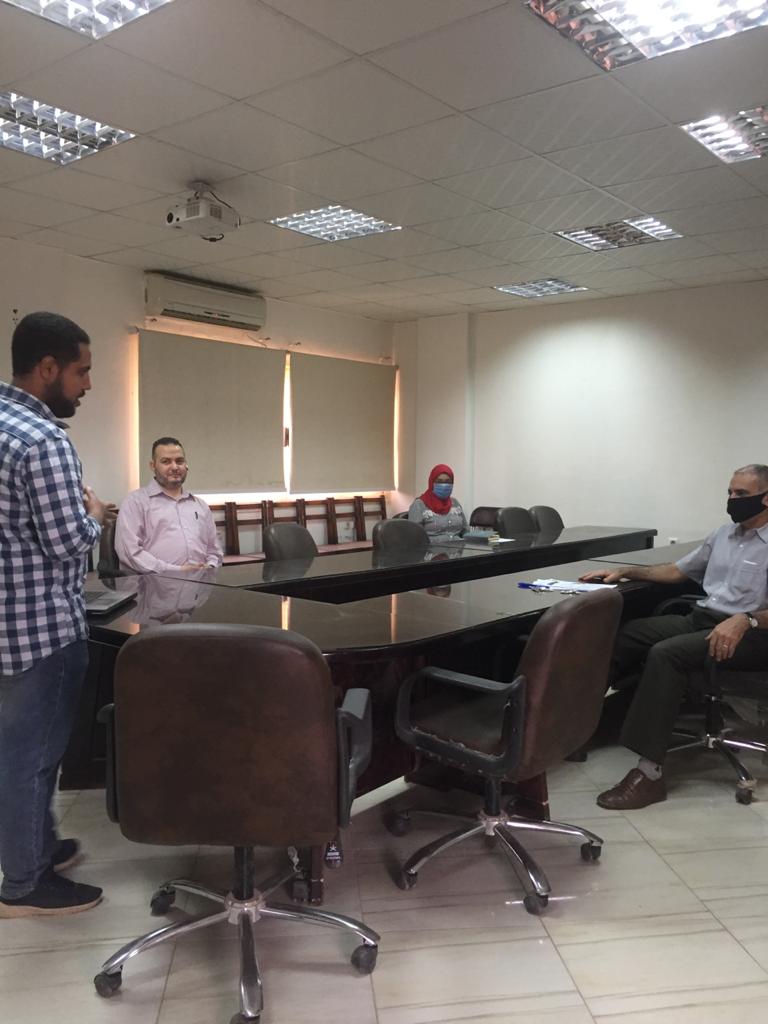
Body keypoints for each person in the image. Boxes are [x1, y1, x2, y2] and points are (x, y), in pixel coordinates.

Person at [0, 311, 114, 917]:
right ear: (48, 368)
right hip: (39, 630)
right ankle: (24, 883)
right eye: (82, 371)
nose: (88, 384)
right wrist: (93, 515)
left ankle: (37, 848)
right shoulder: (44, 441)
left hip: (5, 625)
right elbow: (68, 542)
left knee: (18, 751)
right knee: (33, 758)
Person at [580, 464, 768, 810]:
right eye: (729, 492)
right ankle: (581, 727)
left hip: (753, 635)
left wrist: (746, 620)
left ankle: (649, 775)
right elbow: (676, 571)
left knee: (667, 654)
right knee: (626, 636)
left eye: (742, 494)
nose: (732, 499)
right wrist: (624, 571)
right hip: (704, 619)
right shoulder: (723, 534)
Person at [115, 437, 223, 573]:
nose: (175, 467)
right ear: (153, 466)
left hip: (201, 583)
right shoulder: (135, 502)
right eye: (166, 461)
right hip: (153, 583)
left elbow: (214, 550)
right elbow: (130, 553)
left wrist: (211, 567)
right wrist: (175, 571)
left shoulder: (200, 505)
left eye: (179, 461)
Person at [408, 464, 467, 542]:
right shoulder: (419, 505)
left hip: (459, 547)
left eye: (448, 482)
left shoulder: (455, 503)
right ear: (431, 482)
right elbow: (414, 538)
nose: (444, 485)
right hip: (432, 548)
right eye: (439, 481)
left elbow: (466, 530)